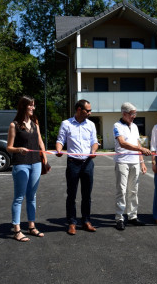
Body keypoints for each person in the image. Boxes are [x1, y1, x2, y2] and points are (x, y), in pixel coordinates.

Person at [7, 95, 48, 242]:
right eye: (30, 105)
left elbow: (40, 142)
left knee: (32, 197)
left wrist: (45, 160)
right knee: (19, 197)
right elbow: (9, 147)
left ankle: (31, 226)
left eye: (34, 105)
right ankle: (17, 230)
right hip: (21, 164)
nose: (33, 108)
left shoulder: (35, 124)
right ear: (24, 106)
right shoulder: (14, 125)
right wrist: (19, 149)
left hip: (35, 163)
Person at [56, 99, 98, 235]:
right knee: (71, 194)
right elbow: (60, 140)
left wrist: (93, 151)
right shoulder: (66, 124)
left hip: (87, 163)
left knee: (87, 195)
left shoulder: (91, 125)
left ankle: (86, 221)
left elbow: (95, 142)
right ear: (79, 110)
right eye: (88, 110)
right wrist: (58, 150)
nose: (90, 113)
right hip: (73, 163)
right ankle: (72, 223)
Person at [113, 102, 152, 231]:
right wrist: (141, 148)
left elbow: (136, 142)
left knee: (133, 190)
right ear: (124, 114)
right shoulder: (117, 126)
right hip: (122, 162)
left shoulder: (135, 126)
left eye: (135, 113)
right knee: (122, 191)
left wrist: (142, 162)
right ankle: (119, 218)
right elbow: (122, 143)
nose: (134, 116)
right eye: (132, 114)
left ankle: (133, 216)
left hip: (135, 162)